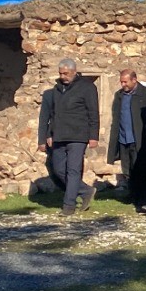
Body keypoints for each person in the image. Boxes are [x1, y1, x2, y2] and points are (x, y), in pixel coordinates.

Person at [37, 58, 100, 216]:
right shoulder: (56, 90)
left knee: (73, 171)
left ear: (74, 71)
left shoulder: (87, 88)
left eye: (66, 73)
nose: (63, 76)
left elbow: (93, 113)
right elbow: (51, 115)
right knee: (58, 169)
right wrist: (45, 136)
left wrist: (94, 136)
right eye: (60, 73)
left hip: (78, 136)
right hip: (59, 136)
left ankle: (68, 206)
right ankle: (85, 190)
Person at [107, 69, 146, 212]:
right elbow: (116, 117)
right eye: (121, 81)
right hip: (123, 138)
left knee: (140, 170)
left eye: (125, 81)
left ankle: (143, 198)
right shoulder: (119, 95)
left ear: (134, 80)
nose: (123, 84)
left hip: (138, 139)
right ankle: (134, 195)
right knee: (127, 169)